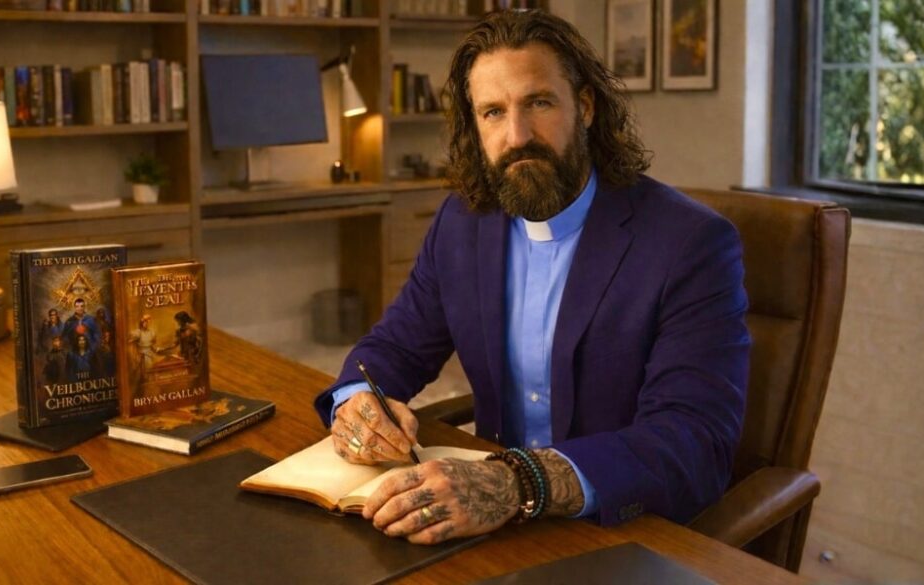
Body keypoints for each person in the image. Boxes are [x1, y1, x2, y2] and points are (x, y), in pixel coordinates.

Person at [313, 10, 749, 545]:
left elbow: (693, 441)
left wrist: (519, 481)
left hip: (624, 529)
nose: (517, 136)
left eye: (538, 103)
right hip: (494, 525)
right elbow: (396, 346)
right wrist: (358, 400)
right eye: (493, 112)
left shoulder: (690, 244)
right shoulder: (461, 223)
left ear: (584, 108)